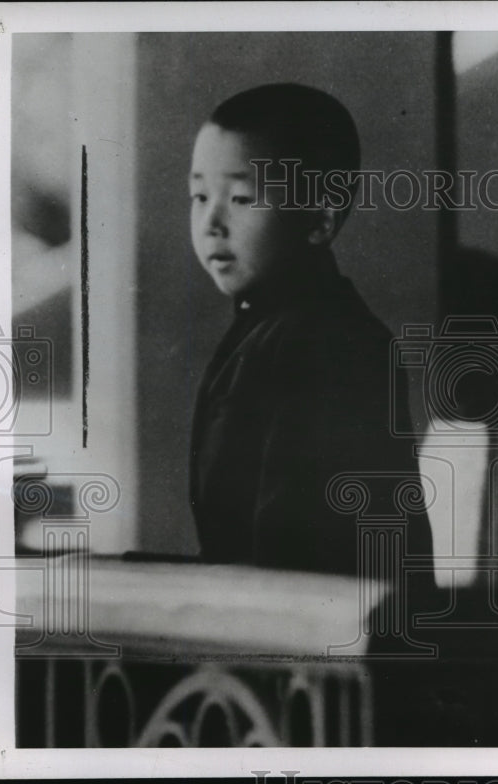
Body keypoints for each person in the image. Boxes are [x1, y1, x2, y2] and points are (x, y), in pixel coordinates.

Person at [188, 83, 433, 575]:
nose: (211, 221)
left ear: (320, 218)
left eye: (240, 197)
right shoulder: (265, 329)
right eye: (199, 195)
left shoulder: (330, 345)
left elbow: (296, 563)